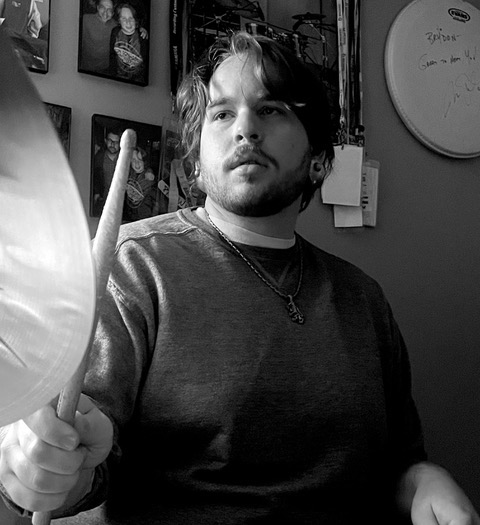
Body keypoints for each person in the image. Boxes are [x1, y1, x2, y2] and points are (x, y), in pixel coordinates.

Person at [0, 31, 479, 525]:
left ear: (318, 157)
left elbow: (400, 464)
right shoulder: (134, 265)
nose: (246, 128)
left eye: (270, 109)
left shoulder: (362, 298)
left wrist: (425, 482)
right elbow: (75, 457)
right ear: (196, 163)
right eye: (222, 114)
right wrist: (38, 466)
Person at [79, 0, 149, 76]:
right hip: (86, 68)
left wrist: (141, 29)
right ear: (98, 7)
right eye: (102, 7)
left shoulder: (115, 26)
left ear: (112, 13)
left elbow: (129, 25)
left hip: (107, 70)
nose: (105, 12)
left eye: (109, 10)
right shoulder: (85, 20)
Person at [0, 0, 46, 70]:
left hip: (7, 44)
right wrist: (29, 40)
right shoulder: (30, 3)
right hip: (22, 47)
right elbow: (36, 26)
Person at [109, 2, 148, 84]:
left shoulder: (142, 36)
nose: (128, 22)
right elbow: (112, 56)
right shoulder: (115, 32)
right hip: (117, 80)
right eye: (123, 18)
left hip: (137, 82)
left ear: (135, 20)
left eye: (131, 18)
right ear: (119, 20)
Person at [92, 127, 121, 216]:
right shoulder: (98, 158)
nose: (112, 144)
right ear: (105, 141)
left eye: (116, 142)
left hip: (121, 202)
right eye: (110, 140)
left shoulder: (125, 159)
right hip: (103, 202)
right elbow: (94, 177)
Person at [123, 145, 157, 222]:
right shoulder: (129, 174)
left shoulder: (149, 176)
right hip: (129, 218)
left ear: (145, 161)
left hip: (145, 219)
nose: (137, 163)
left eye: (140, 160)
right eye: (133, 160)